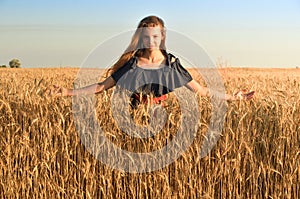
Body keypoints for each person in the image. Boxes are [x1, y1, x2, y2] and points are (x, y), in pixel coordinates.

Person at [50, 15, 254, 104]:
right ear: (140, 37)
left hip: (163, 125)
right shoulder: (132, 63)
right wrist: (67, 92)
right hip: (132, 120)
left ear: (162, 36)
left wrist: (234, 97)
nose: (150, 41)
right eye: (146, 37)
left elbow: (202, 91)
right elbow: (102, 86)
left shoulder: (171, 64)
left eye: (155, 36)